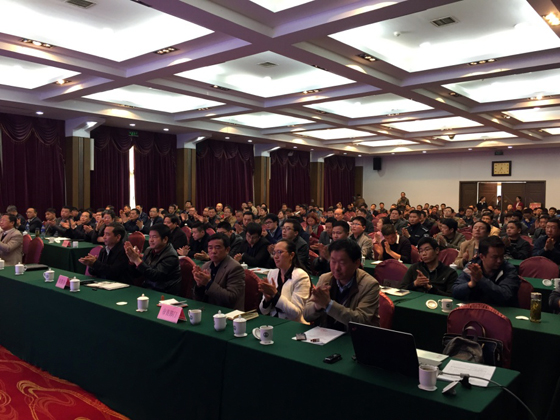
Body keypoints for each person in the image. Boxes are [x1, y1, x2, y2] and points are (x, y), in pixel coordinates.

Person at [303, 239, 380, 331]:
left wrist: (328, 304)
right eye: (333, 261)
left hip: (354, 336)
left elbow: (361, 321)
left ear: (356, 263)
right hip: (327, 334)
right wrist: (317, 306)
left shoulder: (369, 285)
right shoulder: (325, 278)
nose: (336, 268)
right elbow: (306, 315)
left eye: (342, 262)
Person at [452, 236, 520, 307]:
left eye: (501, 256)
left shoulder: (509, 269)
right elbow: (455, 292)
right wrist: (471, 284)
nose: (499, 260)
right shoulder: (473, 267)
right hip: (477, 310)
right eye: (495, 257)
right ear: (482, 256)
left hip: (502, 310)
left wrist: (481, 279)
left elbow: (506, 296)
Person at [259, 239, 311, 323]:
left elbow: (296, 313)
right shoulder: (272, 274)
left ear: (291, 255)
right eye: (274, 253)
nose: (275, 256)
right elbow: (264, 311)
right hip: (273, 321)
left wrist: (275, 295)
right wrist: (267, 300)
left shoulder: (301, 276)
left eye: (280, 252)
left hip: (292, 324)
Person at [192, 233, 245, 310]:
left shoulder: (235, 268)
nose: (213, 251)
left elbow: (231, 298)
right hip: (208, 309)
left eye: (217, 247)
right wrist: (199, 285)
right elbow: (198, 299)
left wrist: (208, 283)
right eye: (210, 248)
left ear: (227, 250)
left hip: (228, 312)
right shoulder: (205, 266)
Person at [125, 224, 181, 295]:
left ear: (165, 239)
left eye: (154, 237)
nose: (151, 240)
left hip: (165, 293)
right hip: (149, 289)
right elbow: (137, 275)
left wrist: (137, 260)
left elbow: (156, 276)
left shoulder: (171, 256)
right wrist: (132, 262)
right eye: (150, 236)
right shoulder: (149, 250)